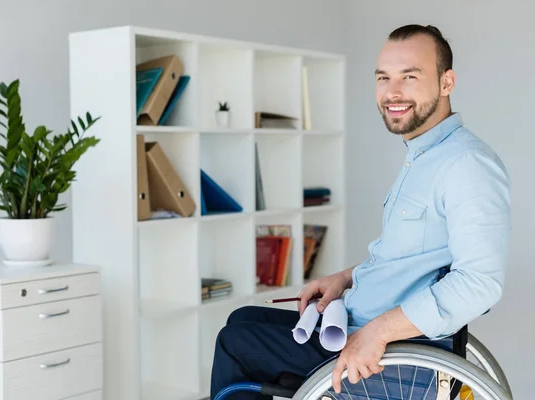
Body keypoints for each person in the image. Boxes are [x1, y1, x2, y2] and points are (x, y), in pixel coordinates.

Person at [209, 24, 511, 399]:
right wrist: (347, 278)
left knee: (235, 342)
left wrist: (377, 332)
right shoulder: (424, 157)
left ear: (446, 82)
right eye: (383, 77)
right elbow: (413, 260)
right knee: (243, 318)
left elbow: (480, 283)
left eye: (409, 77)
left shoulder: (467, 164)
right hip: (361, 324)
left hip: (394, 355)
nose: (392, 92)